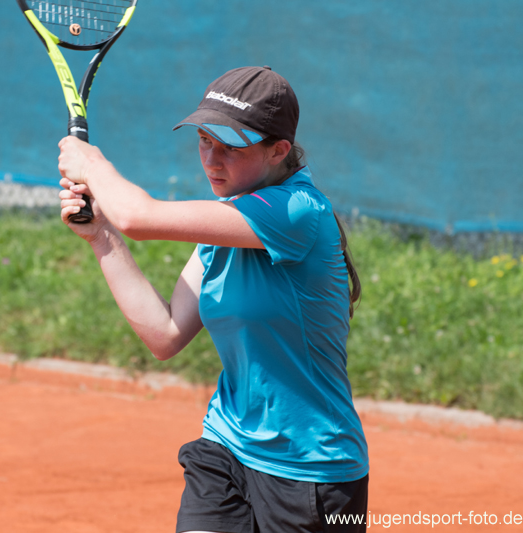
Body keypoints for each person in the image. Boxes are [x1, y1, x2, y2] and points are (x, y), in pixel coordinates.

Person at [57, 66, 369, 533]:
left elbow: (138, 217)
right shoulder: (225, 221)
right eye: (205, 141)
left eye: (231, 147)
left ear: (279, 150)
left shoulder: (298, 211)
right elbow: (165, 334)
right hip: (226, 448)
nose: (212, 160)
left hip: (311, 474)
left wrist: (91, 165)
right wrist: (100, 236)